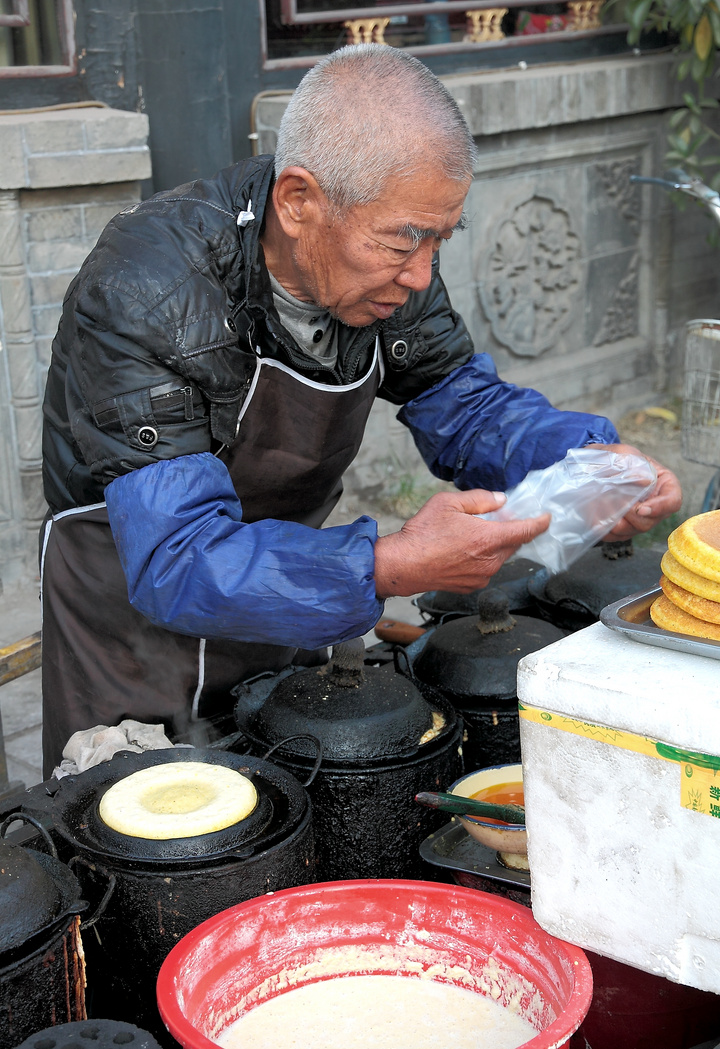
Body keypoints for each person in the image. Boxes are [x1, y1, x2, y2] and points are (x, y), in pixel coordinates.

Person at [40, 44, 681, 777]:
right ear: (299, 200)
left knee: (296, 792)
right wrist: (388, 564)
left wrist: (587, 463)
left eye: (440, 239)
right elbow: (178, 560)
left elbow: (466, 409)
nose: (421, 275)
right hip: (130, 632)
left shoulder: (390, 272)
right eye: (404, 240)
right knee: (151, 847)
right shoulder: (145, 289)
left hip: (296, 594)